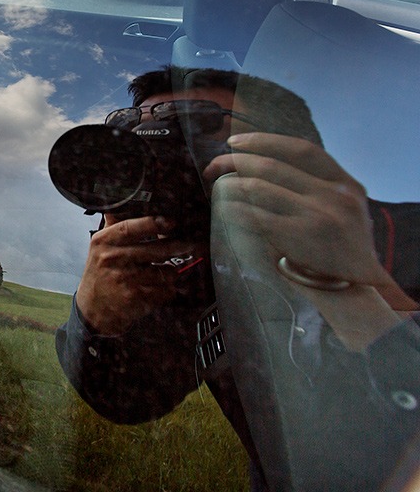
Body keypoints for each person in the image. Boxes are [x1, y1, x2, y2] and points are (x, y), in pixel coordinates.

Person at [55, 65, 420, 490]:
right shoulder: (187, 271)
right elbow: (130, 399)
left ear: (293, 152)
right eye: (142, 146)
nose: (171, 165)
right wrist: (97, 323)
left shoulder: (405, 234)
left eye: (197, 132)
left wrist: (358, 286)